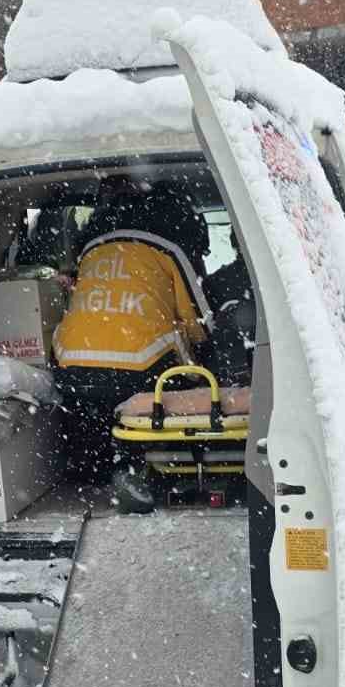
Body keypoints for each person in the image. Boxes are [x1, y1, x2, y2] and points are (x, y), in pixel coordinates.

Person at [53, 181, 212, 481]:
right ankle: (155, 470)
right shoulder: (170, 247)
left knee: (93, 426)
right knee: (175, 387)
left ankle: (93, 475)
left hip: (72, 366)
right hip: (141, 369)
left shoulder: (90, 249)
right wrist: (206, 357)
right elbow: (199, 321)